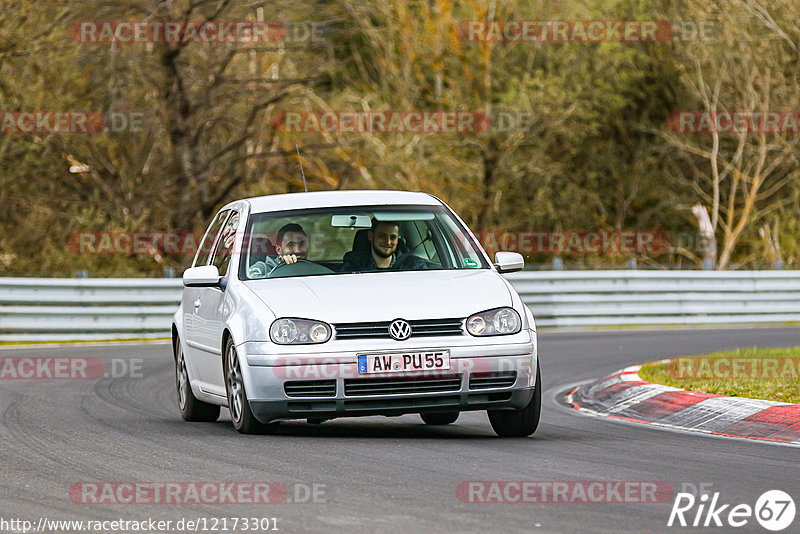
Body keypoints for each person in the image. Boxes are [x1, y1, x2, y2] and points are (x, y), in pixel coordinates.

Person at [341, 220, 430, 272]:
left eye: (393, 237)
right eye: (382, 236)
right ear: (371, 236)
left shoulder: (414, 266)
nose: (388, 242)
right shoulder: (353, 267)